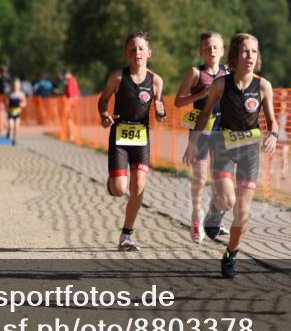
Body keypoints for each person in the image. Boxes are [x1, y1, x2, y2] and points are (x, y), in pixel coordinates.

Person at [186, 33, 279, 279]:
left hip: (250, 152)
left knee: (243, 210)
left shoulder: (263, 86)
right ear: (235, 55)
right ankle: (215, 212)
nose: (250, 57)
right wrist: (194, 142)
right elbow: (205, 114)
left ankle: (231, 254)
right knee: (228, 200)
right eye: (245, 52)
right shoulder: (220, 85)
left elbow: (272, 121)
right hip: (225, 147)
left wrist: (273, 136)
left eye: (255, 52)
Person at [98, 31, 166, 252]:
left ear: (149, 52)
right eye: (133, 49)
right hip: (119, 136)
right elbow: (103, 100)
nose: (137, 52)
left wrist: (161, 111)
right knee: (119, 189)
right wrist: (104, 114)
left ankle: (126, 235)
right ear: (126, 53)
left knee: (138, 187)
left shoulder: (156, 81)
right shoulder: (118, 77)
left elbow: (160, 112)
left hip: (141, 137)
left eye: (141, 48)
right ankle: (112, 182)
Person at [176, 32, 228, 243]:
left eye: (216, 47)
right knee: (200, 179)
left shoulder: (228, 72)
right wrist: (201, 95)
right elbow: (179, 102)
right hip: (201, 130)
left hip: (222, 129)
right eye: (207, 48)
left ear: (222, 51)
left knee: (221, 180)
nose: (212, 51)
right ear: (201, 52)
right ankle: (196, 218)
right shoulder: (196, 72)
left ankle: (214, 219)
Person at [7, 77, 27, 145]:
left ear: (20, 86)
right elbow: (5, 102)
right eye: (15, 85)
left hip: (18, 113)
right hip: (11, 112)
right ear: (12, 86)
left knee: (16, 126)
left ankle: (14, 140)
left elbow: (25, 103)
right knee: (11, 125)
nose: (16, 87)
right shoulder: (10, 94)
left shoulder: (21, 94)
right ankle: (9, 132)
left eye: (18, 86)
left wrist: (22, 105)